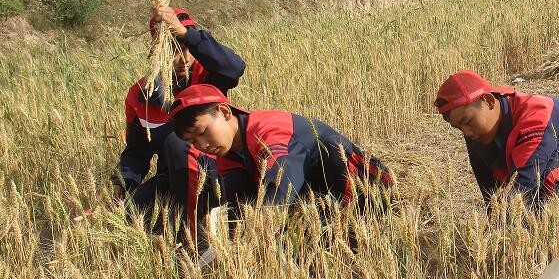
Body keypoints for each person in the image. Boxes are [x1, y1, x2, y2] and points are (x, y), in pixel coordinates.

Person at [166, 84, 394, 259]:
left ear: (224, 112)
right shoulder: (228, 154)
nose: (202, 144)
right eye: (192, 141)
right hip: (316, 201)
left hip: (366, 192)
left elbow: (280, 190)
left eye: (202, 131)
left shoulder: (269, 130)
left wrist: (254, 239)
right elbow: (238, 203)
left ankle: (354, 233)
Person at [113, 5, 246, 229]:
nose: (184, 58)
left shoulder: (210, 77)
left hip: (218, 171)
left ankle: (200, 225)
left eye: (188, 48)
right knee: (131, 213)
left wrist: (185, 33)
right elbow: (137, 151)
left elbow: (234, 67)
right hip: (173, 178)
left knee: (178, 142)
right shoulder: (140, 95)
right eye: (174, 50)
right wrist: (122, 184)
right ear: (158, 53)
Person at [434, 70, 559, 212]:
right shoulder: (476, 133)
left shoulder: (534, 116)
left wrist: (502, 238)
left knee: (551, 178)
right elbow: (491, 192)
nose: (466, 132)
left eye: (467, 121)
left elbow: (526, 184)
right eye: (458, 127)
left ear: (489, 101)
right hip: (546, 174)